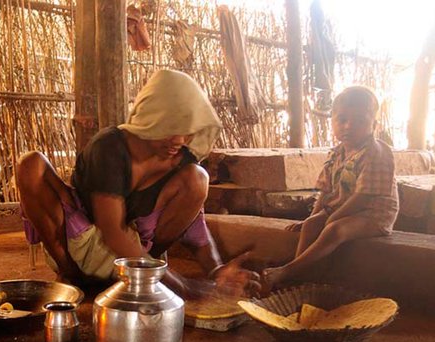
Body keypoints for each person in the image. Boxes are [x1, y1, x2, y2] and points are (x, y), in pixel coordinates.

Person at [16, 69, 260, 299]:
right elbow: (112, 234)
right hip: (82, 248)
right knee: (31, 164)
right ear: (150, 119)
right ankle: (72, 276)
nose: (179, 140)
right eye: (170, 129)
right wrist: (184, 287)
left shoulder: (179, 157)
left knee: (198, 178)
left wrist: (216, 271)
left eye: (186, 131)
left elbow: (196, 222)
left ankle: (143, 276)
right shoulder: (109, 147)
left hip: (139, 256)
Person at [263, 85, 398, 290]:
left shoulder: (377, 152)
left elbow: (362, 197)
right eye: (342, 120)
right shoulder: (336, 154)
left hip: (373, 215)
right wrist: (313, 217)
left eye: (360, 121)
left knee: (334, 230)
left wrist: (332, 218)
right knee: (310, 226)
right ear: (332, 121)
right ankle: (301, 276)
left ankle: (288, 271)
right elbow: (325, 192)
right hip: (342, 210)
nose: (348, 126)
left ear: (374, 125)